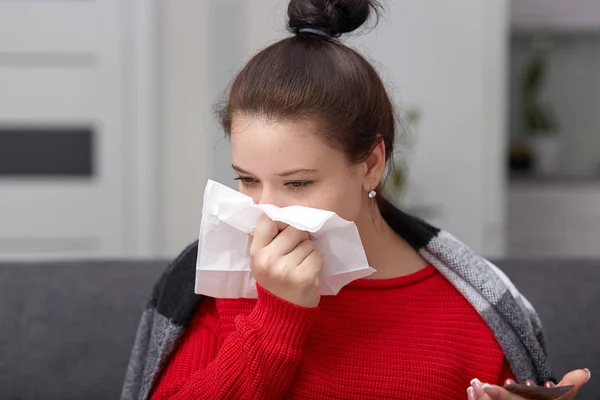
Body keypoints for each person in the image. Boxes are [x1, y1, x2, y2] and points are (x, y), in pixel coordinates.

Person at [121, 1, 590, 399]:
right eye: (247, 180)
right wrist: (276, 316)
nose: (266, 211)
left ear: (371, 163)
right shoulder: (227, 282)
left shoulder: (474, 307)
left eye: (298, 183)